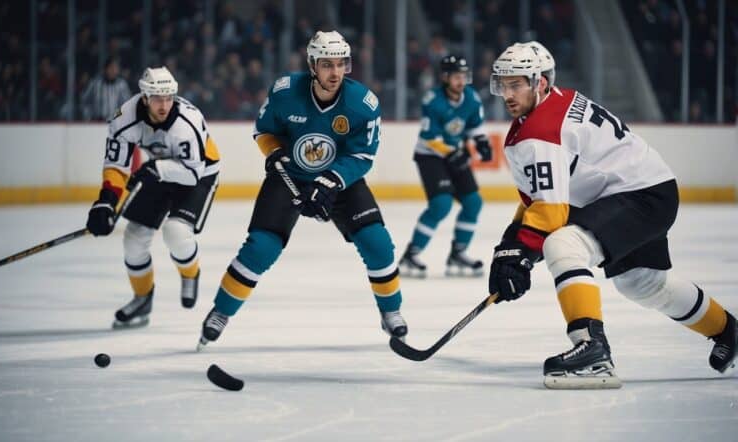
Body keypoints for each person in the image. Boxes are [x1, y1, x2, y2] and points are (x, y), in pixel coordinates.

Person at [487, 42, 737, 388]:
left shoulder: (539, 132)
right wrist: (511, 248)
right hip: (648, 189)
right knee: (643, 283)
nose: (508, 94)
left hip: (638, 195)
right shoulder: (556, 103)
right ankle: (729, 331)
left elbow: (550, 212)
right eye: (503, 85)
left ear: (540, 83)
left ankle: (592, 350)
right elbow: (539, 201)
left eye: (517, 84)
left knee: (563, 245)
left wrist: (520, 253)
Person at [197, 30, 407, 349]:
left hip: (340, 180)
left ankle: (390, 311)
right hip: (289, 177)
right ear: (312, 65)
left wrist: (330, 182)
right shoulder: (285, 92)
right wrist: (275, 151)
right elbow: (264, 131)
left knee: (377, 243)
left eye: (341, 64)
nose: (335, 72)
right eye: (326, 64)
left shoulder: (363, 104)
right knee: (260, 248)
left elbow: (362, 156)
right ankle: (221, 312)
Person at [86, 66, 221, 328]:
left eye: (169, 97)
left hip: (200, 173)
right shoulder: (124, 118)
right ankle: (142, 298)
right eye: (158, 98)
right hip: (159, 169)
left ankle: (190, 273)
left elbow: (192, 173)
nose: (164, 105)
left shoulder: (187, 122)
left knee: (176, 233)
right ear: (144, 97)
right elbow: (116, 164)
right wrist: (106, 200)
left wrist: (156, 169)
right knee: (134, 239)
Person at [399, 55, 493, 278]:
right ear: (445, 78)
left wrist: (481, 142)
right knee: (441, 204)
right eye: (457, 77)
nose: (461, 81)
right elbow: (430, 138)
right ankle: (411, 254)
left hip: (454, 153)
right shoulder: (433, 100)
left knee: (473, 202)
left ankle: (458, 253)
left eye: (464, 76)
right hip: (430, 156)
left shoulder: (471, 98)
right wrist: (453, 153)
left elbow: (473, 126)